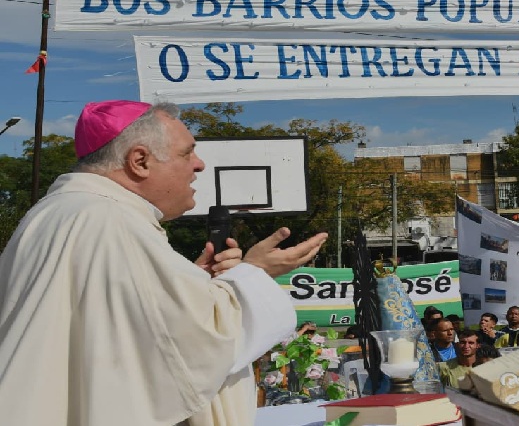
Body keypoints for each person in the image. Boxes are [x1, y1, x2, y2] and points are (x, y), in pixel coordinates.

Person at [0, 100, 328, 426]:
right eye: (187, 153)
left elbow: (116, 326)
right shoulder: (109, 220)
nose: (198, 165)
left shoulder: (60, 211)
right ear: (140, 161)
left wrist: (193, 282)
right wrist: (255, 272)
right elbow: (196, 344)